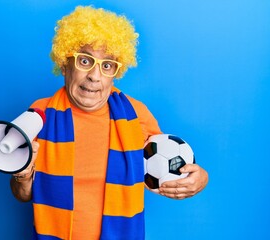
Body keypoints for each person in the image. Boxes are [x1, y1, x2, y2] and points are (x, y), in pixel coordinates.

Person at [10, 6, 208, 240]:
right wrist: (21, 175)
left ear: (116, 72)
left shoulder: (136, 114)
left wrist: (200, 178)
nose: (94, 76)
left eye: (106, 66)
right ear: (65, 64)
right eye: (85, 61)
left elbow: (163, 167)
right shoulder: (39, 115)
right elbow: (22, 195)